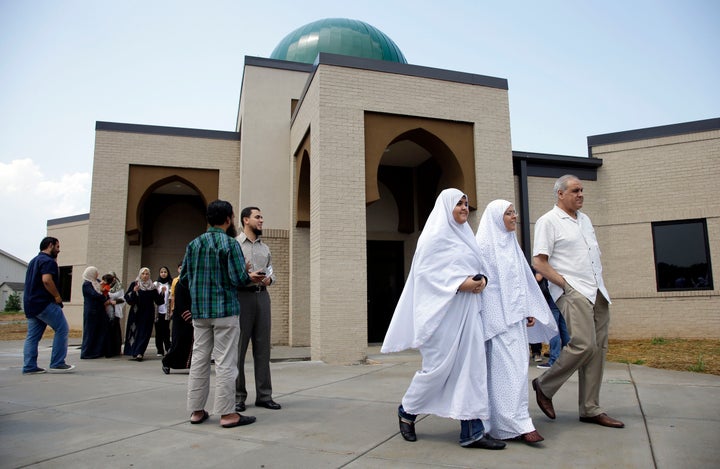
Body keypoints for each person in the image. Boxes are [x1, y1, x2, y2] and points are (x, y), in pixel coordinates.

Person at [381, 189, 505, 450]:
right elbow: (426, 276)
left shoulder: (466, 237)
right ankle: (408, 410)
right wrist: (461, 283)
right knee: (437, 371)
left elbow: (478, 268)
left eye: (466, 203)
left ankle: (472, 432)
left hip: (468, 314)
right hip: (442, 317)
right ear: (446, 207)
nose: (463, 207)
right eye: (458, 203)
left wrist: (481, 280)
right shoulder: (433, 239)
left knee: (471, 370)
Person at [531, 174, 624, 428]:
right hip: (573, 292)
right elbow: (539, 261)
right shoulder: (548, 221)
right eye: (575, 190)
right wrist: (565, 285)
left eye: (582, 190)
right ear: (560, 194)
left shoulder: (585, 221)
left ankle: (590, 408)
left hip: (598, 292)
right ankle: (545, 384)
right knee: (583, 344)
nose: (581, 194)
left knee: (598, 351)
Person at [475, 200, 557, 444]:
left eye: (514, 212)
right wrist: (497, 316)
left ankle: (509, 423)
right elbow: (483, 286)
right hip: (497, 320)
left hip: (515, 319)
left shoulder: (511, 244)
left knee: (518, 369)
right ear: (496, 218)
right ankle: (517, 423)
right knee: (505, 371)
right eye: (509, 213)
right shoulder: (483, 246)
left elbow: (522, 280)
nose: (514, 216)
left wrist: (527, 309)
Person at [182, 199, 263, 428]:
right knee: (226, 361)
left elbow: (185, 278)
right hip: (225, 310)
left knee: (199, 359)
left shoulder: (193, 245)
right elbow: (238, 278)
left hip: (200, 312)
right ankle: (228, 414)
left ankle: (197, 411)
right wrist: (248, 273)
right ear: (229, 219)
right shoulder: (230, 245)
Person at [235, 206, 281, 412]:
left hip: (262, 297)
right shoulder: (234, 245)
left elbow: (272, 272)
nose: (261, 220)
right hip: (241, 298)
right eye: (257, 217)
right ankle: (238, 397)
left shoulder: (265, 248)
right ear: (246, 220)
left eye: (262, 217)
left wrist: (269, 279)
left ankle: (264, 396)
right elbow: (230, 275)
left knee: (262, 349)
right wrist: (247, 277)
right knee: (239, 350)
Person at [22, 237, 75, 374]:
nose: (59, 250)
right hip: (44, 303)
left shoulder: (34, 261)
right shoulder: (48, 261)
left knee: (32, 336)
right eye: (57, 247)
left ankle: (29, 366)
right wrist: (57, 296)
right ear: (50, 246)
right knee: (62, 329)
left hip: (30, 304)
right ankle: (57, 363)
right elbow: (46, 280)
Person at [124, 267, 164, 361]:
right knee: (135, 332)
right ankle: (133, 351)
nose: (145, 276)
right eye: (143, 274)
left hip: (148, 313)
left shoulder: (152, 287)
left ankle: (140, 352)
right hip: (136, 313)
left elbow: (158, 301)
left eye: (147, 274)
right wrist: (134, 291)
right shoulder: (135, 284)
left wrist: (162, 293)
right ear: (140, 274)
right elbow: (128, 299)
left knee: (145, 333)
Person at [534, 269, 570, 369]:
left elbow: (538, 277)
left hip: (551, 298)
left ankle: (554, 359)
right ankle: (568, 358)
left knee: (553, 330)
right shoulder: (561, 263)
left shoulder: (547, 261)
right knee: (564, 329)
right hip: (562, 297)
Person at [162, 267, 194, 375]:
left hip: (192, 318)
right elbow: (180, 303)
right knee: (178, 342)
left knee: (190, 343)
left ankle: (188, 364)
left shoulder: (194, 285)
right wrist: (188, 316)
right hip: (181, 318)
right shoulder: (181, 285)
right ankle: (167, 362)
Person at [80, 266, 113, 359]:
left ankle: (97, 351)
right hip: (91, 311)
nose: (97, 274)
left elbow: (105, 291)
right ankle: (87, 352)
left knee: (100, 331)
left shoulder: (97, 282)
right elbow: (95, 295)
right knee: (90, 331)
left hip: (100, 310)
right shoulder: (87, 284)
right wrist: (103, 297)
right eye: (95, 273)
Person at [104, 272, 125, 357]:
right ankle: (108, 350)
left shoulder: (119, 286)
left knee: (115, 330)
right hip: (107, 311)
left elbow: (123, 299)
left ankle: (116, 350)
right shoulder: (105, 286)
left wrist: (114, 302)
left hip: (115, 311)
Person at [154, 266, 173, 357]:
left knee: (166, 330)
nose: (163, 274)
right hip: (157, 312)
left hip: (167, 311)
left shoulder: (171, 283)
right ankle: (159, 350)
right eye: (161, 272)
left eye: (165, 272)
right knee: (158, 331)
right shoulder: (156, 284)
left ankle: (168, 347)